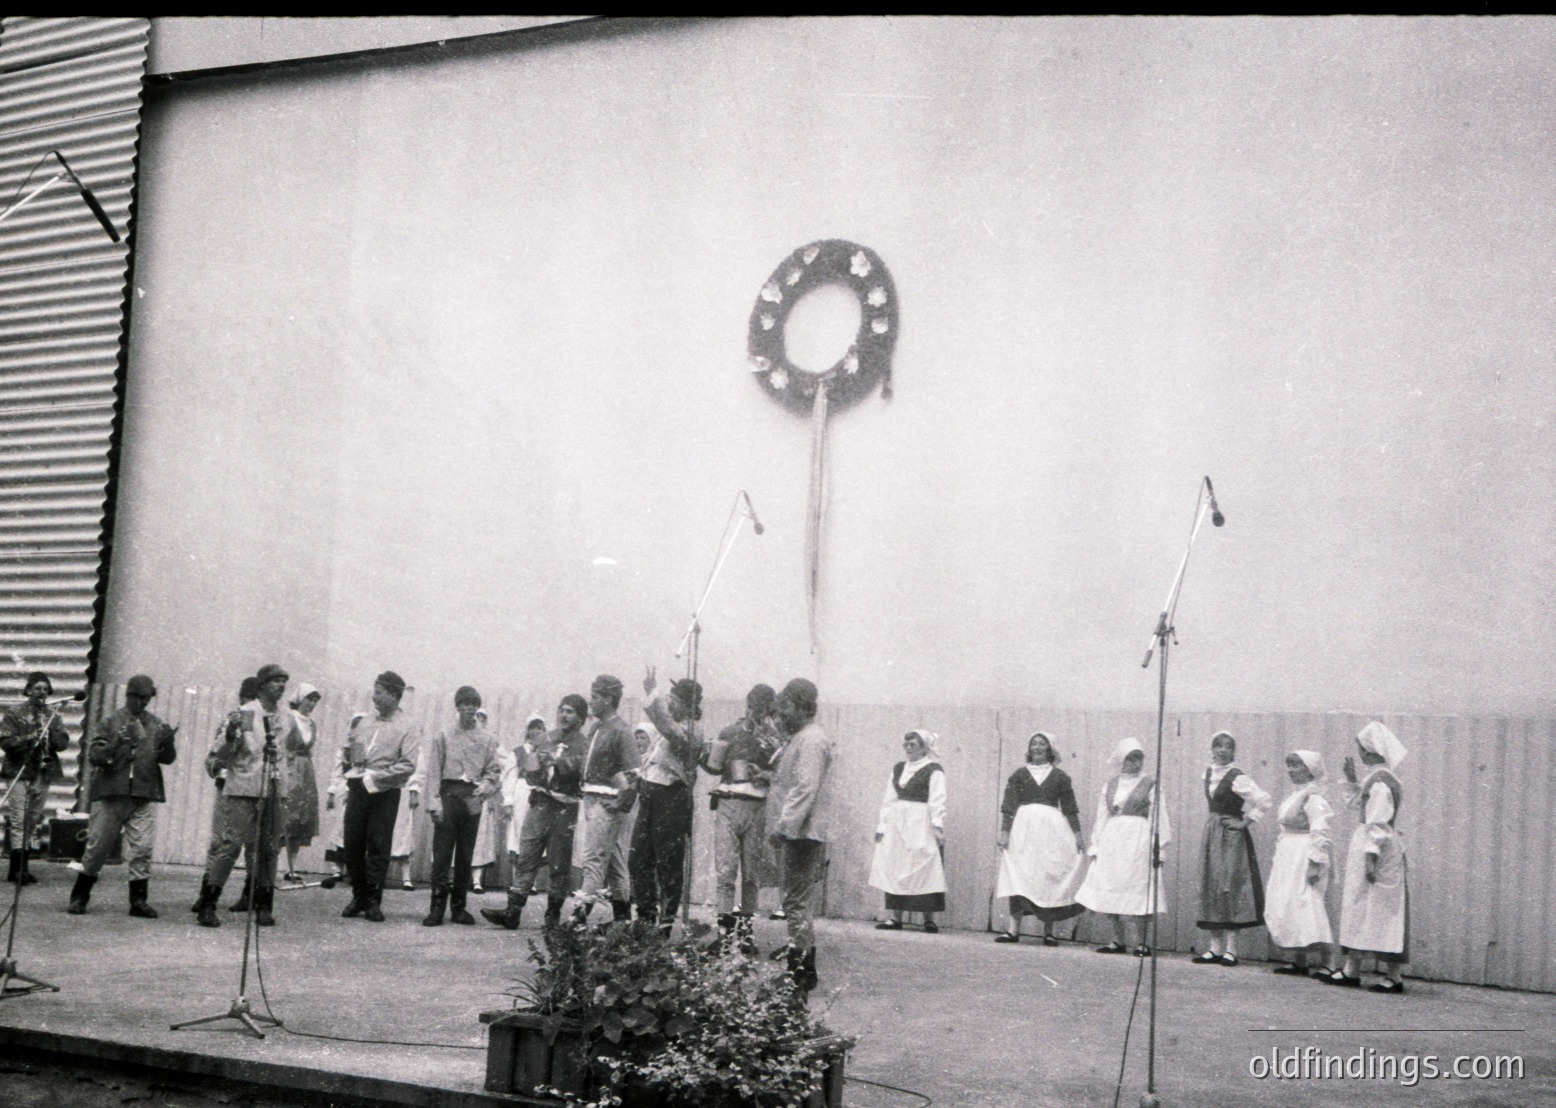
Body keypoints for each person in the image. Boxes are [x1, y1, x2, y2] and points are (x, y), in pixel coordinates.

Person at [193, 664, 299, 928]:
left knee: (269, 849)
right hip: (243, 788)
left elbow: (294, 749)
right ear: (261, 685)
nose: (281, 685)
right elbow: (219, 754)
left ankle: (264, 904)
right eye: (275, 681)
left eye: (284, 681)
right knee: (229, 845)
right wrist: (230, 736)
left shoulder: (288, 717)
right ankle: (208, 903)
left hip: (274, 791)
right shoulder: (244, 713)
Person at [66, 675, 176, 917]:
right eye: (139, 698)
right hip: (112, 794)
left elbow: (167, 759)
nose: (143, 703)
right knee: (97, 848)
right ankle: (80, 896)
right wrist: (116, 742)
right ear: (129, 696)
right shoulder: (110, 722)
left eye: (147, 698)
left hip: (143, 793)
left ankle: (138, 901)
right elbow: (95, 756)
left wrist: (169, 742)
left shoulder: (156, 724)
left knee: (142, 848)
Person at [482, 696, 587, 930]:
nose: (564, 716)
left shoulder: (583, 743)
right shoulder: (548, 738)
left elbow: (583, 768)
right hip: (539, 803)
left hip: (564, 807)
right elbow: (530, 774)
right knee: (526, 855)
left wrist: (557, 762)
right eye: (562, 711)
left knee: (559, 863)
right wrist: (535, 761)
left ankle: (552, 917)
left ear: (580, 717)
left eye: (570, 712)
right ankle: (513, 911)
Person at [1327, 721, 1410, 994]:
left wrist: (1371, 857)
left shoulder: (1382, 783)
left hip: (1378, 849)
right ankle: (1352, 968)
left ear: (1371, 750)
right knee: (1359, 905)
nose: (1359, 752)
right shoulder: (1376, 778)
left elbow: (1377, 822)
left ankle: (1393, 975)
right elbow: (1359, 806)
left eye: (1361, 747)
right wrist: (1352, 781)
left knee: (1383, 909)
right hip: (1370, 844)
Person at [766, 677, 835, 994]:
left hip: (802, 833)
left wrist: (783, 827)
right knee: (796, 902)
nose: (782, 715)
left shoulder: (810, 740)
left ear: (801, 707)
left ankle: (801, 972)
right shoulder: (805, 738)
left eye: (786, 708)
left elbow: (804, 787)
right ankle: (802, 967)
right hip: (800, 831)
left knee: (795, 902)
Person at [1075, 738, 1171, 957]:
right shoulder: (1110, 785)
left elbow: (1159, 817)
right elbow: (1102, 817)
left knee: (1138, 886)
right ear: (1121, 759)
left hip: (1138, 841)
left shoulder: (1151, 784)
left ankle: (1142, 942)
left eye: (1139, 758)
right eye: (1131, 758)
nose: (1136, 763)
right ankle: (1117, 940)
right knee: (1112, 884)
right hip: (1113, 841)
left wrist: (1159, 847)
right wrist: (1096, 846)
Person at [705, 683, 781, 952]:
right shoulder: (730, 731)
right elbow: (714, 767)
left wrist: (763, 771)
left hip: (757, 807)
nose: (756, 714)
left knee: (751, 874)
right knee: (726, 871)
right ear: (747, 705)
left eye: (762, 709)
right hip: (728, 802)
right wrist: (707, 753)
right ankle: (725, 937)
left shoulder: (776, 739)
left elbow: (783, 775)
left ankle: (746, 936)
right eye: (752, 707)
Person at [340, 671, 421, 923]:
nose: (374, 698)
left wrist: (376, 778)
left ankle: (374, 900)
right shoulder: (365, 722)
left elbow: (408, 765)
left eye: (379, 693)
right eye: (374, 692)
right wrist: (350, 758)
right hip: (358, 789)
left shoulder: (407, 727)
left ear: (395, 696)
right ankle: (358, 896)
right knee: (352, 843)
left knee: (378, 845)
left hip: (385, 793)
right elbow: (354, 749)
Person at [993, 732, 1086, 945]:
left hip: (1051, 832)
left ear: (1050, 749)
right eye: (1033, 743)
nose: (1037, 747)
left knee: (1048, 875)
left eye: (1042, 744)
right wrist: (1005, 831)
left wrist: (1077, 835)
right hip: (1023, 831)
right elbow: (1009, 806)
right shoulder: (1019, 774)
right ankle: (1013, 929)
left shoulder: (1061, 777)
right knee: (1018, 875)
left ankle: (1048, 932)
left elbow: (1070, 808)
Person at [422, 687, 503, 926]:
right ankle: (436, 908)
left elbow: (493, 771)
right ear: (457, 707)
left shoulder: (487, 738)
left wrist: (484, 789)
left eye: (473, 704)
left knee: (466, 855)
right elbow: (434, 771)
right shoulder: (444, 735)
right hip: (448, 796)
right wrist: (434, 802)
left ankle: (459, 908)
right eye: (464, 703)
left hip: (472, 798)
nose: (469, 708)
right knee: (443, 854)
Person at [632, 666, 704, 930]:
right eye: (669, 699)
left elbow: (668, 727)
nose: (670, 704)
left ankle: (665, 923)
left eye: (674, 700)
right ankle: (645, 916)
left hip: (671, 798)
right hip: (651, 795)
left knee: (668, 862)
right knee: (639, 859)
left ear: (688, 705)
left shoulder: (692, 731)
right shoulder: (669, 729)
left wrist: (653, 693)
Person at [1190, 731, 1271, 967]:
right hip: (1212, 833)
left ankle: (1231, 950)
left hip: (1231, 836)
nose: (1222, 750)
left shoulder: (1237, 776)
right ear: (1212, 749)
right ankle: (1214, 948)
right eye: (1218, 746)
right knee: (1212, 885)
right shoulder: (1207, 773)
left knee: (1230, 886)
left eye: (1227, 746)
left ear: (1233, 751)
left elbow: (1263, 800)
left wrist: (1244, 822)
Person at [572, 675, 640, 923]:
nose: (591, 702)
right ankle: (622, 920)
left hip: (606, 802)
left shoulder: (621, 731)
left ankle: (577, 920)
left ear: (608, 699)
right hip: (591, 799)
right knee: (614, 863)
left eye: (595, 697)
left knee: (593, 860)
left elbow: (634, 773)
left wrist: (622, 803)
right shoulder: (597, 727)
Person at [868, 729, 947, 934]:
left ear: (924, 748)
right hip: (897, 823)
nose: (909, 748)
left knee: (924, 866)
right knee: (896, 865)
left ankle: (928, 919)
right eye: (906, 744)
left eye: (913, 744)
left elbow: (937, 800)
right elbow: (889, 799)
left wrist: (937, 826)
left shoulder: (934, 769)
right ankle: (895, 917)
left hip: (921, 822)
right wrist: (882, 826)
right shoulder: (898, 768)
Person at [1265, 750, 1336, 978]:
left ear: (1309, 769)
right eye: (1289, 765)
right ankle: (1299, 960)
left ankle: (1329, 962)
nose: (1291, 770)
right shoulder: (1296, 795)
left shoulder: (1314, 798)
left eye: (1297, 766)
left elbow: (1322, 831)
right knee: (1289, 903)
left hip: (1304, 855)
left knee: (1309, 903)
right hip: (1289, 855)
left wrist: (1316, 862)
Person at [1, 672, 71, 885]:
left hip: (42, 772)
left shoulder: (52, 714)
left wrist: (52, 734)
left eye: (45, 689)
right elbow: (5, 742)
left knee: (32, 820)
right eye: (37, 688)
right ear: (28, 690)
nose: (42, 692)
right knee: (19, 820)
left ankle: (19, 869)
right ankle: (19, 869)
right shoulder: (14, 713)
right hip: (19, 771)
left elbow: (63, 743)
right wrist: (30, 737)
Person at [281, 683, 322, 881]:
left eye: (315, 700)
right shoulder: (289, 718)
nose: (311, 703)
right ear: (299, 699)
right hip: (289, 767)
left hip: (306, 770)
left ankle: (291, 867)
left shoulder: (312, 723)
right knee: (286, 814)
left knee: (302, 816)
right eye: (309, 698)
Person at [319, 711, 365, 890]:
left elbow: (360, 771)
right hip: (342, 789)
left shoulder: (363, 748)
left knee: (353, 829)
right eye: (355, 727)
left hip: (355, 789)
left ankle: (354, 870)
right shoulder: (343, 749)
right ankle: (337, 868)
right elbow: (336, 771)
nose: (356, 731)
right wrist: (332, 792)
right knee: (338, 828)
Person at [468, 707, 504, 894]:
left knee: (480, 838)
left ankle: (476, 880)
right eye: (476, 718)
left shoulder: (492, 744)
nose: (478, 721)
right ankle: (455, 877)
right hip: (464, 794)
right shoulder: (463, 740)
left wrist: (491, 791)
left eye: (482, 719)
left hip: (482, 796)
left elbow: (500, 771)